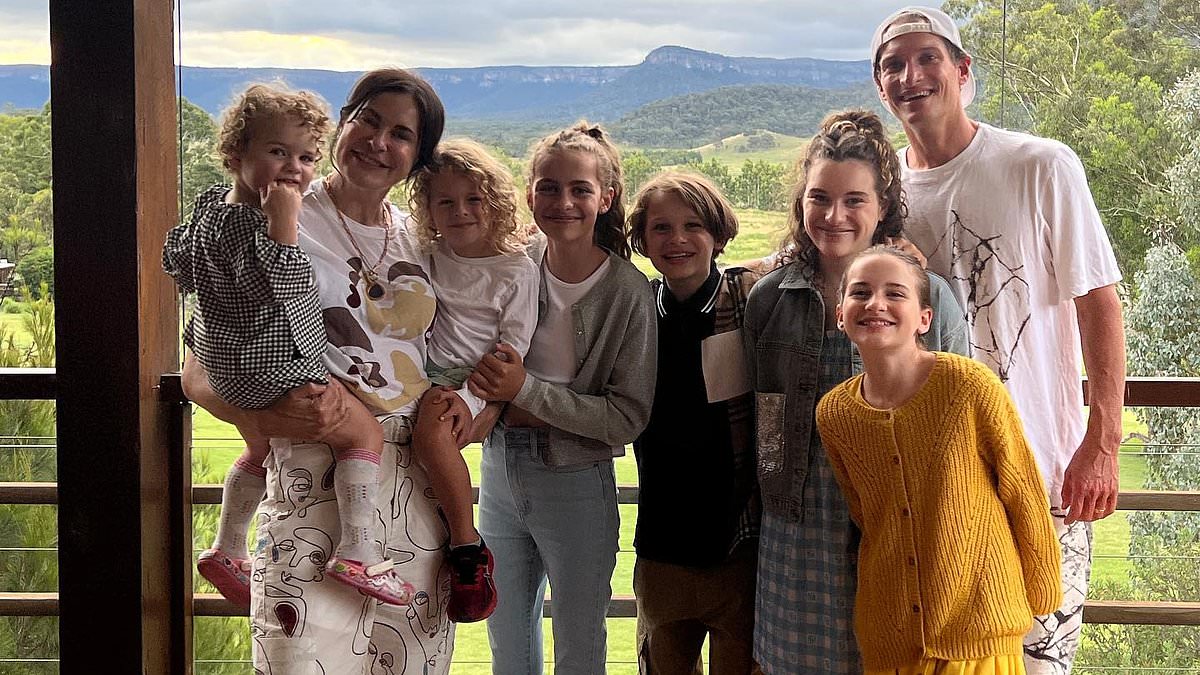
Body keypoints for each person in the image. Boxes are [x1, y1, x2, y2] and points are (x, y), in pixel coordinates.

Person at [870, 7, 1127, 670]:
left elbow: (1099, 302)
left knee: (1040, 659)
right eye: (893, 65)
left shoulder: (1040, 165)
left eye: (927, 58)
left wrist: (1102, 441)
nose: (910, 75)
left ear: (963, 71)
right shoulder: (881, 193)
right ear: (880, 86)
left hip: (1041, 472)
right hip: (932, 487)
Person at [180, 68, 459, 674]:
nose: (379, 142)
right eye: (368, 121)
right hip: (311, 483)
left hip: (415, 492)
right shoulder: (274, 214)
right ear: (343, 124)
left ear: (418, 156)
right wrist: (266, 416)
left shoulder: (422, 239)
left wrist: (473, 415)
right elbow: (197, 366)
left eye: (402, 134)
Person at [164, 82, 415, 610]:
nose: (293, 169)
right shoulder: (274, 220)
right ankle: (359, 552)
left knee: (256, 448)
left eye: (304, 157)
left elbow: (179, 263)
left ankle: (227, 548)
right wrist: (284, 226)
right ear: (236, 154)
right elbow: (287, 287)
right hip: (278, 369)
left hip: (233, 364)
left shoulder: (210, 210)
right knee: (362, 433)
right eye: (278, 152)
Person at [743, 109, 969, 674]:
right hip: (797, 533)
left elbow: (956, 426)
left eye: (854, 201)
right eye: (819, 198)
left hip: (899, 528)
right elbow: (762, 423)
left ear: (882, 207)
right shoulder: (769, 300)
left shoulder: (930, 299)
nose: (834, 215)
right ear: (801, 204)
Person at [816, 245, 1062, 674]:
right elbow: (866, 514)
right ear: (841, 315)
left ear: (925, 319)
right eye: (860, 292)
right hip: (890, 636)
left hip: (978, 631)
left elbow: (1022, 489)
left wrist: (1042, 587)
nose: (876, 304)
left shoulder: (969, 385)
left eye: (895, 293)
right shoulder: (834, 413)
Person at [467, 122, 657, 675]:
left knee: (578, 646)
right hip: (499, 467)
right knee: (506, 641)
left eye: (580, 189)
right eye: (549, 188)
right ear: (530, 196)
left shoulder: (627, 292)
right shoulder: (513, 264)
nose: (564, 202)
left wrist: (524, 390)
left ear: (606, 198)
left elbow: (627, 417)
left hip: (576, 481)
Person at [627, 171, 760, 674]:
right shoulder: (637, 310)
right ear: (642, 241)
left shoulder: (748, 301)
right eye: (661, 228)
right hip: (661, 542)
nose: (677, 239)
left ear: (718, 235)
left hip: (738, 544)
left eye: (693, 226)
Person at [406, 138, 539, 623]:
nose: (460, 211)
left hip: (473, 379)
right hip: (419, 372)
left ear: (496, 202)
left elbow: (512, 348)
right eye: (445, 201)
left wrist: (473, 399)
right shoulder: (427, 253)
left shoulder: (515, 269)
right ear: (428, 210)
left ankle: (467, 547)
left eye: (473, 199)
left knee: (432, 431)